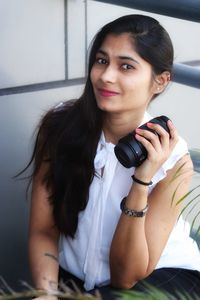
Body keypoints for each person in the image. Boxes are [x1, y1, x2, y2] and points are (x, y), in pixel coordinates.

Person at [27, 14, 200, 300]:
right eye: (102, 60)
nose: (106, 76)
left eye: (126, 66)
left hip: (158, 280)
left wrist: (142, 180)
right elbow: (43, 230)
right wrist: (47, 293)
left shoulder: (174, 162)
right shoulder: (59, 128)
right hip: (78, 280)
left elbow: (126, 276)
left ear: (160, 81)